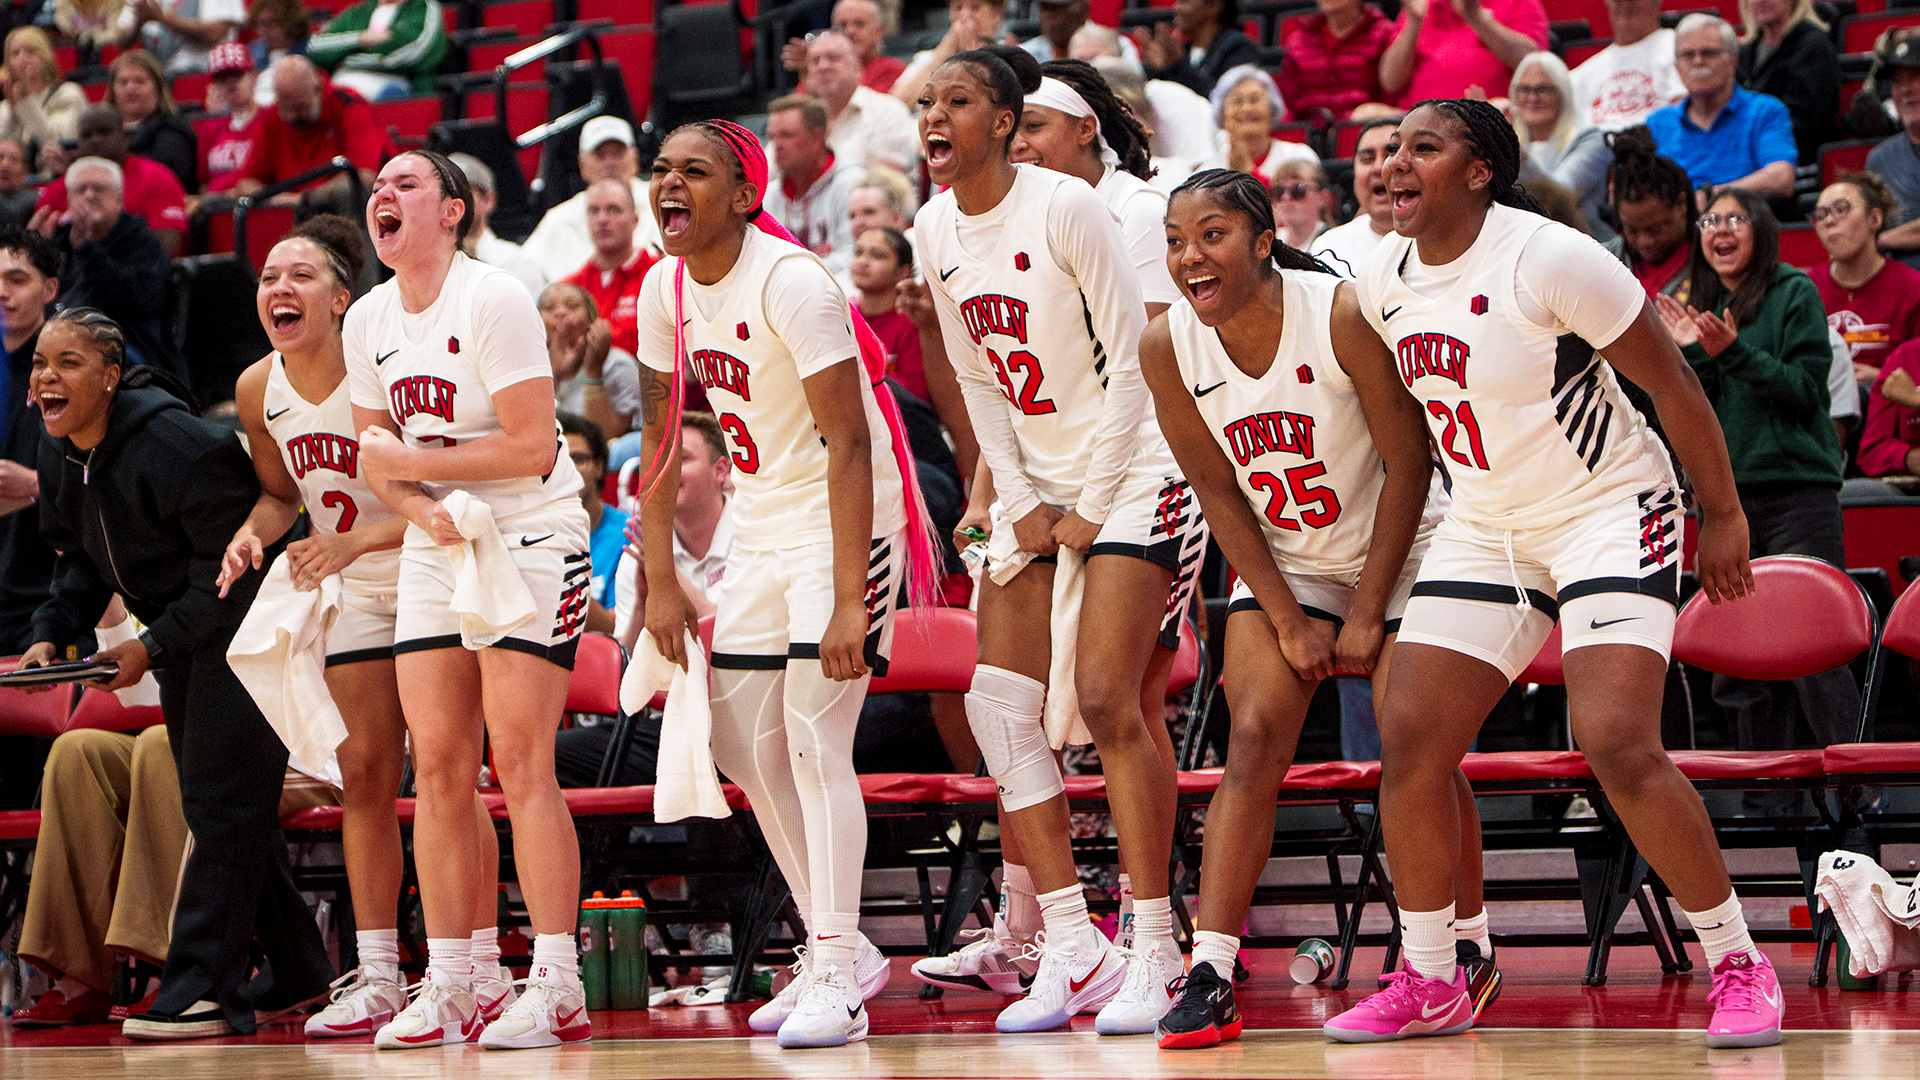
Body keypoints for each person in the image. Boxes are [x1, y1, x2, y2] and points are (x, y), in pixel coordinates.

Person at [1328, 98, 1774, 1049]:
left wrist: (1724, 513)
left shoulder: (1552, 258)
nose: (1397, 164)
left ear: (1481, 169)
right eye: (1390, 151)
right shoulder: (1375, 280)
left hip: (1610, 510)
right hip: (1487, 522)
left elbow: (1673, 384)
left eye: (1424, 149)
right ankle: (1436, 975)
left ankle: (1737, 957)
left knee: (1614, 737)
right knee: (1410, 738)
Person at [1139, 167, 1496, 1049]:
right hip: (1290, 560)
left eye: (1212, 235)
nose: (1191, 257)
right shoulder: (1166, 344)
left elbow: (1411, 465)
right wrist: (1290, 617)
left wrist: (1369, 610)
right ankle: (1212, 970)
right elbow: (1220, 496)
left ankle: (1467, 945)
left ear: (1263, 241)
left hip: (1405, 551)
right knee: (1254, 736)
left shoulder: (1336, 313)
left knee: (1417, 743)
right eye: (1177, 242)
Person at [910, 46, 1208, 1037]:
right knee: (1000, 709)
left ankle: (1160, 950)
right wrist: (1023, 500)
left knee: (1111, 703)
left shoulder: (1068, 207)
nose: (933, 117)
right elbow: (978, 380)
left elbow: (1137, 359)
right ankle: (1074, 948)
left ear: (1005, 119)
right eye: (924, 103)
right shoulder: (932, 227)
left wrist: (1087, 496)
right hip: (1040, 483)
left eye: (956, 100)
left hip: (1139, 469)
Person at [633, 117, 937, 1049]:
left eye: (694, 171)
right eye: (661, 170)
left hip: (850, 506)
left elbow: (850, 442)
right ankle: (830, 947)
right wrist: (658, 576)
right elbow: (655, 441)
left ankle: (839, 966)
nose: (669, 185)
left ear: (744, 193)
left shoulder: (793, 281)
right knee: (740, 739)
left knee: (812, 735)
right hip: (762, 511)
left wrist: (851, 595)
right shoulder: (663, 285)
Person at [215, 216, 516, 1041]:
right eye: (269, 275)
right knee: (363, 780)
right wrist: (253, 532)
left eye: (301, 275)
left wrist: (354, 541)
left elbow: (430, 487)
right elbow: (284, 494)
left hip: (429, 570)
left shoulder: (379, 365)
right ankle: (381, 971)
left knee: (450, 775)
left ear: (343, 299)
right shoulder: (256, 388)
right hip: (350, 593)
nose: (279, 287)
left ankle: (480, 967)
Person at [22, 309, 333, 1039]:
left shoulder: (177, 445)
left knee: (222, 803)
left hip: (256, 627)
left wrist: (150, 644)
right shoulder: (59, 448)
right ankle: (296, 967)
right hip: (190, 637)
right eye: (40, 362)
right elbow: (85, 565)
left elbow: (233, 574)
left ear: (109, 376)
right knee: (216, 803)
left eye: (67, 363)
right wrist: (50, 636)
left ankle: (200, 987)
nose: (46, 377)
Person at [346, 149, 595, 1050]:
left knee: (523, 762)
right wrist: (417, 505)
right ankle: (458, 977)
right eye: (378, 185)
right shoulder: (368, 318)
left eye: (406, 183)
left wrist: (411, 468)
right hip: (437, 539)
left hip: (532, 531)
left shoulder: (492, 297)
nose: (384, 193)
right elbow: (377, 459)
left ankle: (559, 981)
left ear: (452, 211)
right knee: (439, 766)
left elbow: (529, 448)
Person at [1655, 188, 1855, 791]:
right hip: (1727, 504)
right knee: (1739, 652)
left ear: (1761, 230)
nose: (1720, 230)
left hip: (1798, 494)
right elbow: (1706, 409)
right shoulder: (1705, 306)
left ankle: (1855, 787)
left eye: (1734, 218)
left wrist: (1731, 351)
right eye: (1710, 219)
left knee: (1815, 648)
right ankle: (1764, 794)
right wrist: (1699, 359)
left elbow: (1802, 393)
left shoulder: (1796, 292)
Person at [8, 619, 184, 1029]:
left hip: (253, 738)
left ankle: (174, 967)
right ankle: (80, 976)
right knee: (76, 751)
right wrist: (104, 614)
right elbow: (134, 693)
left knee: (161, 748)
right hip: (182, 725)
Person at [35, 157, 186, 380]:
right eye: (80, 190)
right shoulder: (59, 240)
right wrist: (35, 256)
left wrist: (88, 250)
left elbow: (135, 302)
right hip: (59, 340)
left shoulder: (140, 239)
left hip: (130, 349)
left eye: (99, 189)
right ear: (68, 200)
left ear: (118, 199)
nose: (89, 195)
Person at [1643, 15, 1796, 201]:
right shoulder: (1657, 124)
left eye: (1708, 53)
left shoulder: (1765, 111)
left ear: (1733, 61)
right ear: (1677, 66)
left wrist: (1709, 196)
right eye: (1688, 55)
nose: (1698, 62)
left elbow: (1781, 178)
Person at [0, 228, 62, 651]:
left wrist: (38, 485)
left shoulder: (78, 368)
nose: (2, 292)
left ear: (50, 288)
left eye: (16, 280)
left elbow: (121, 477)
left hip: (47, 598)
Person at [521, 115, 661, 286]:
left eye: (618, 153)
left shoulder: (662, 203)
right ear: (582, 165)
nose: (610, 163)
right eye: (600, 155)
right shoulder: (559, 218)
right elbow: (521, 272)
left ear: (634, 159)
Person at [36, 104, 189, 258]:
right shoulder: (55, 190)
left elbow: (162, 253)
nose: (95, 140)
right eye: (87, 135)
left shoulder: (158, 179)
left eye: (105, 132)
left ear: (125, 138)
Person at [235, 55, 385, 212]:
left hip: (333, 211)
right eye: (284, 108)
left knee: (346, 190)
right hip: (288, 213)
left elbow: (364, 176)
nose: (291, 116)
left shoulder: (349, 106)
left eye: (300, 107)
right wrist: (273, 198)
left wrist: (306, 199)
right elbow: (245, 182)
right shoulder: (272, 116)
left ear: (317, 89)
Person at [1809, 174, 1920, 385]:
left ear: (1875, 219)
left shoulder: (1913, 287)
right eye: (1821, 214)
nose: (1829, 220)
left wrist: (1879, 380)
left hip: (1890, 410)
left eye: (1841, 208)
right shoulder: (1804, 286)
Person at [1074, 30, 1220, 170]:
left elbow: (1202, 171)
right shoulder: (1083, 110)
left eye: (1126, 112)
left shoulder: (1172, 100)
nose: (1086, 69)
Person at [1511, 52, 1609, 240]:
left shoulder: (1590, 140)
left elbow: (1557, 198)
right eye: (1524, 89)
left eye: (1543, 89)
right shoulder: (1515, 144)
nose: (1533, 98)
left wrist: (1512, 148)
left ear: (1563, 93)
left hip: (1581, 245)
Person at [763, 94, 866, 273]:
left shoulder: (853, 184)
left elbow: (854, 257)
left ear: (816, 138)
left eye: (787, 135)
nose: (777, 145)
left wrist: (795, 275)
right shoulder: (769, 195)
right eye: (773, 137)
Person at [561, 178, 661, 359]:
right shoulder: (570, 288)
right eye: (593, 211)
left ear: (635, 220)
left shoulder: (659, 275)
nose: (602, 219)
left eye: (614, 210)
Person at [1379, 0, 1549, 106]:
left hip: (1493, 127)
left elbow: (1533, 64)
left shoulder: (1518, 2)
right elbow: (1390, 82)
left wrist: (1476, 17)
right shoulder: (1420, 6)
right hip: (1424, 131)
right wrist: (1414, 23)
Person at [1735, 0, 1837, 165]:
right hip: (1747, 158)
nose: (1760, 1)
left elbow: (1803, 127)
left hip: (1795, 162)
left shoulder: (1813, 47)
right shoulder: (1745, 52)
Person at [805, 31, 919, 176]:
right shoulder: (801, 119)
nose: (823, 66)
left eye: (833, 58)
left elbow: (883, 188)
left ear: (857, 69)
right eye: (815, 61)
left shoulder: (887, 112)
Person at [541, 281, 640, 441]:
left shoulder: (617, 364)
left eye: (572, 306)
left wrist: (594, 370)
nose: (560, 312)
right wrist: (556, 376)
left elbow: (607, 438)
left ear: (591, 319)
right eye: (549, 307)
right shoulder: (533, 365)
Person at [1604, 126, 1694, 297]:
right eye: (1631, 230)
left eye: (1655, 229)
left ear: (1681, 204)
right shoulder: (1604, 259)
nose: (1645, 242)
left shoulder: (1712, 261)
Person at [1568, 0, 1682, 131]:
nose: (1625, 3)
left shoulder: (1682, 51)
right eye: (1617, 0)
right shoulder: (1580, 76)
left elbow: (1685, 116)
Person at [557, 412, 623, 633]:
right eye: (558, 460)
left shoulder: (629, 534)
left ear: (599, 466)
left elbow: (618, 632)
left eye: (577, 459)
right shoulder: (529, 533)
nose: (568, 470)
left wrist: (560, 578)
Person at [306, 0, 449, 102]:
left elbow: (414, 53)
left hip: (401, 92)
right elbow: (313, 47)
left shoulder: (423, 8)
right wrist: (360, 39)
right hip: (341, 89)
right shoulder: (358, 13)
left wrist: (347, 60)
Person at [1276, 0, 1397, 120]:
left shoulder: (1384, 32)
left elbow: (1394, 96)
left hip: (1365, 128)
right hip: (1311, 132)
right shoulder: (1298, 41)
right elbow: (1288, 105)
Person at [1310, 116, 1398, 277]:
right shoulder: (1329, 248)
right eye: (1367, 159)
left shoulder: (1444, 240)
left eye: (1390, 155)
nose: (1378, 167)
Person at [104, 49, 200, 193]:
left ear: (158, 88)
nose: (130, 88)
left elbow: (170, 169)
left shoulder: (174, 129)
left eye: (140, 81)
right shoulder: (101, 132)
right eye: (123, 82)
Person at [849, 226, 928, 400]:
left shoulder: (913, 322)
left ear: (902, 272)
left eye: (877, 255)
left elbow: (914, 398)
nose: (863, 261)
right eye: (858, 252)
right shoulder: (843, 315)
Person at [450, 151, 544, 297]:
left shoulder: (516, 263)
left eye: (463, 191)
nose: (452, 202)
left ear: (488, 199)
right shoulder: (423, 265)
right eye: (443, 193)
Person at [1205, 66, 1318, 184]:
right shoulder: (1208, 172)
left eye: (1254, 100)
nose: (1247, 108)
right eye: (1237, 101)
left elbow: (1299, 201)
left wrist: (1248, 171)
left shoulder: (1297, 157)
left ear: (1272, 109)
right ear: (1222, 115)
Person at [1865, 33, 1920, 271]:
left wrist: (1882, 240)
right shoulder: (1879, 159)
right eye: (1897, 81)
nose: (1905, 89)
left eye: (1916, 77)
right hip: (1902, 294)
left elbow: (1872, 240)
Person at [891, 0, 1009, 109]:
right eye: (958, 8)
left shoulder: (1011, 55)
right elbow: (895, 106)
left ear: (996, 14)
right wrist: (944, 52)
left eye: (975, 8)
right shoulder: (926, 57)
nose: (964, 16)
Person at [0, 27, 86, 173]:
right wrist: (14, 110)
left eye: (31, 52)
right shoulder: (5, 107)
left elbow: (56, 146)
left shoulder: (68, 94)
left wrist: (26, 102)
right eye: (15, 53)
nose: (22, 59)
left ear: (46, 57)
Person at [1135, 0, 1261, 98]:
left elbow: (1222, 98)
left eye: (1185, 1)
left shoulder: (1238, 48)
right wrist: (1155, 69)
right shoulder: (1182, 50)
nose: (1176, 7)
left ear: (1213, 7)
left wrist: (1176, 67)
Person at [780, 0, 907, 95]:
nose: (850, 31)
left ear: (878, 32)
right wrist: (808, 72)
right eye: (842, 25)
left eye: (859, 24)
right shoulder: (822, 71)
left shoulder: (892, 69)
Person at [196, 42, 265, 197]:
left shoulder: (268, 121)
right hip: (215, 210)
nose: (230, 84)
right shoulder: (210, 129)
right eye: (222, 78)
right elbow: (204, 183)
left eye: (237, 74)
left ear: (254, 76)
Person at [116, 0, 245, 77]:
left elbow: (215, 33)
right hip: (158, 79)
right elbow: (122, 39)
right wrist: (139, 21)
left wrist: (162, 18)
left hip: (204, 74)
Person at [1861, 338, 1920, 476]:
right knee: (1858, 491)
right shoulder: (1905, 357)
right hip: (1912, 482)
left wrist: (1915, 398)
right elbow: (1872, 453)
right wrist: (1909, 458)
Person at [247, 0, 311, 106]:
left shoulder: (311, 49)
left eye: (270, 23)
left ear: (290, 21)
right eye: (259, 24)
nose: (263, 30)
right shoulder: (252, 51)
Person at [1270, 159, 1334, 250]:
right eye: (1278, 191)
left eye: (1298, 190)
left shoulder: (1334, 241)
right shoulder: (1270, 242)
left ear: (1322, 197)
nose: (1286, 197)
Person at [847, 167, 914, 237]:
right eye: (852, 216)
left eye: (869, 212)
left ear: (896, 218)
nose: (858, 223)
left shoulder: (919, 245)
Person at [0, 139, 37, 228]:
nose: (5, 165)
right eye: (0, 157)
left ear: (25, 171)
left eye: (13, 159)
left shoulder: (33, 204)